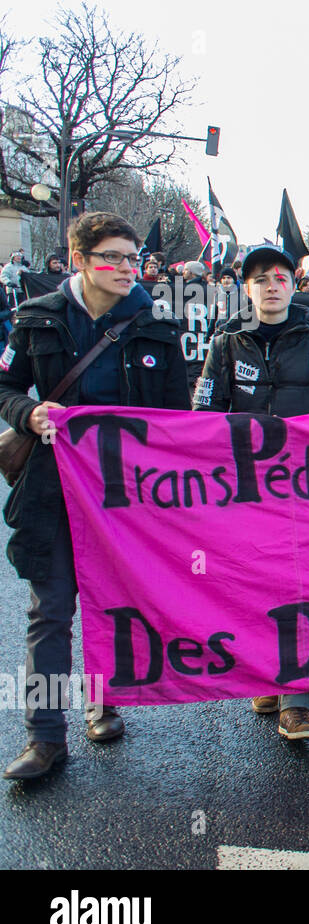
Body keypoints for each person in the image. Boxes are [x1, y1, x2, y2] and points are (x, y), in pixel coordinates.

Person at [0, 212, 190, 780]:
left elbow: (177, 418)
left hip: (126, 496)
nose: (127, 269)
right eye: (113, 257)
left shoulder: (157, 326)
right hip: (54, 488)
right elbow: (5, 385)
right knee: (50, 612)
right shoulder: (36, 320)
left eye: (133, 259)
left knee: (116, 603)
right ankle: (44, 737)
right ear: (79, 258)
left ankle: (103, 702)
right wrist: (27, 413)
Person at [192, 244, 309, 739]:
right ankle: (267, 673)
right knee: (253, 584)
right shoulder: (224, 344)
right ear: (247, 288)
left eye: (280, 277)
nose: (271, 285)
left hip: (305, 490)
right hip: (243, 491)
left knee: (302, 586)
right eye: (260, 278)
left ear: (293, 284)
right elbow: (203, 416)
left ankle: (298, 700)